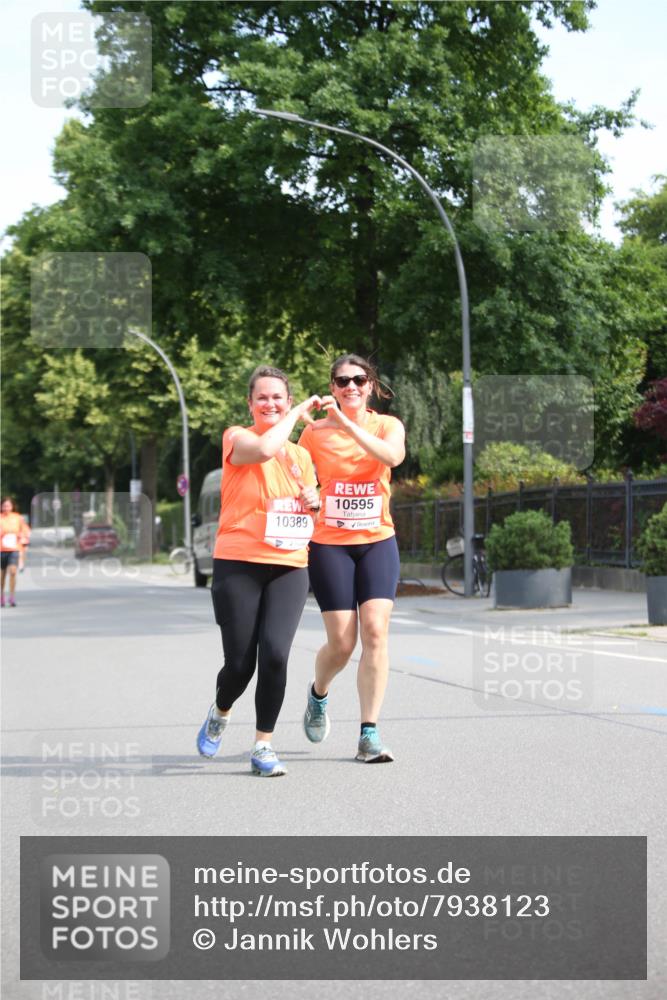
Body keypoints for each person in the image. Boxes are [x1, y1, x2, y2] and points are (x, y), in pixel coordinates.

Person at [196, 366, 321, 776]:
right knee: (239, 664)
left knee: (276, 655)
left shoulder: (302, 455)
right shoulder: (239, 437)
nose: (270, 403)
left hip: (288, 565)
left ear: (286, 400)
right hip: (239, 562)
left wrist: (312, 500)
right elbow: (266, 449)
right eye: (262, 398)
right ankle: (220, 709)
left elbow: (310, 507)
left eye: (278, 398)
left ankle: (263, 745)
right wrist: (298, 412)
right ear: (250, 404)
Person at [298, 354, 406, 763]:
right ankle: (318, 693)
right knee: (342, 644)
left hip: (378, 539)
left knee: (376, 632)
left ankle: (369, 733)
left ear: (371, 385)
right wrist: (310, 496)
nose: (351, 387)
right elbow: (303, 485)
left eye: (359, 380)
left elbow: (392, 457)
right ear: (332, 388)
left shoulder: (387, 425)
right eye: (342, 382)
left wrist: (347, 425)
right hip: (330, 543)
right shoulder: (314, 435)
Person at [1, 497, 30, 608]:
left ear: (12, 506)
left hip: (14, 549)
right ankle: (1, 596)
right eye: (4, 506)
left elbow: (25, 531)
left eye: (8, 506)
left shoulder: (17, 518)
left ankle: (12, 597)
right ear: (1, 507)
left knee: (13, 572)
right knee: (1, 576)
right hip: (1, 550)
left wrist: (22, 536)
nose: (6, 508)